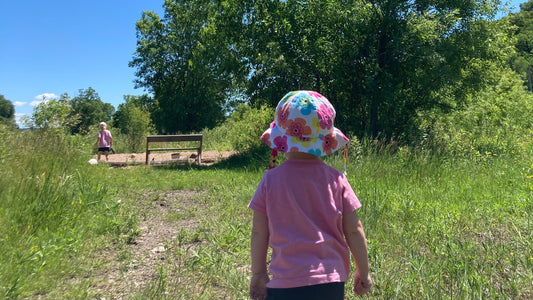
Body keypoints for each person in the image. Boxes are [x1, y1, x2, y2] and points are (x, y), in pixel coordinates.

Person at [248, 91, 372, 300]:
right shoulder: (336, 179)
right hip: (329, 282)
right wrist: (364, 272)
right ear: (326, 141)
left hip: (284, 283)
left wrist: (259, 273)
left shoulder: (270, 180)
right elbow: (354, 229)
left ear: (281, 139)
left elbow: (259, 232)